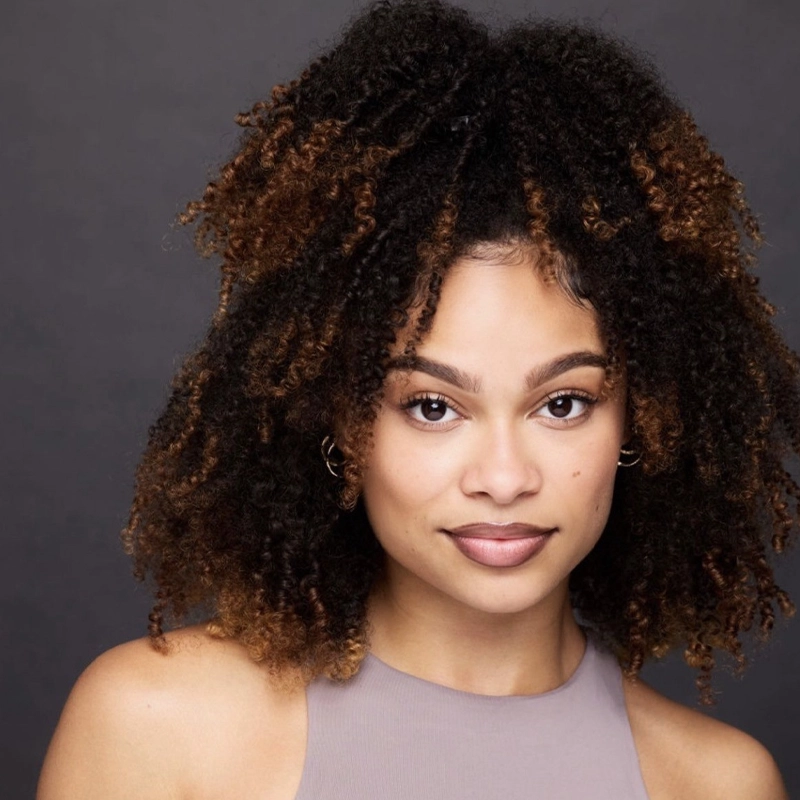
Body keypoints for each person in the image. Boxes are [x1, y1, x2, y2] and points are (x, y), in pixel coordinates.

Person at [37, 1, 797, 797]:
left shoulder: (719, 784)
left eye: (563, 404)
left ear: (643, 416)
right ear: (340, 415)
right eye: (433, 406)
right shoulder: (158, 728)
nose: (503, 480)